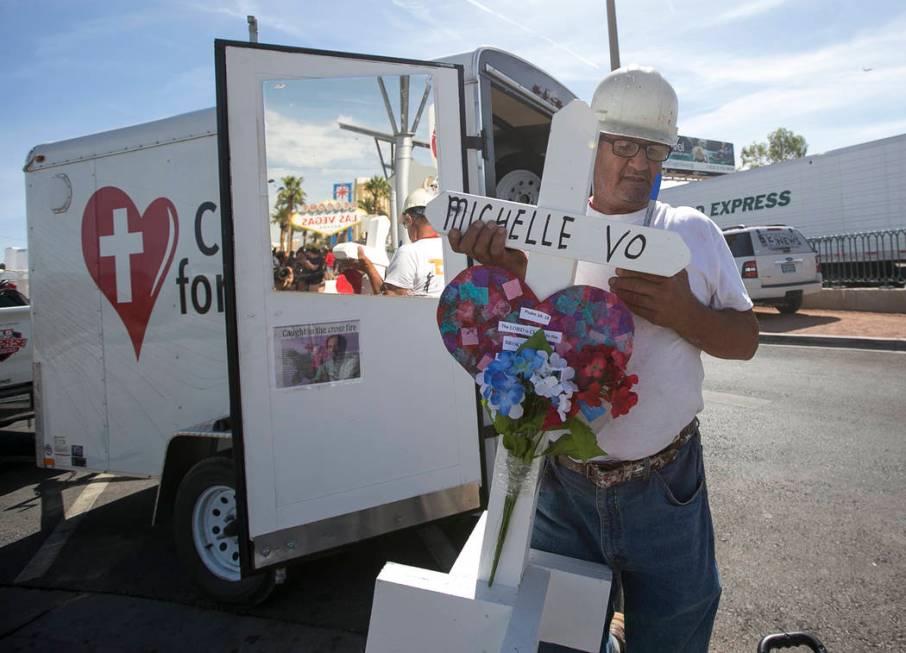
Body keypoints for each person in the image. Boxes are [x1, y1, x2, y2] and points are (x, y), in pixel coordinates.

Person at [449, 65, 759, 653]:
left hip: (665, 486)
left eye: (655, 148)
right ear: (591, 145)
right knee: (561, 639)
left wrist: (683, 311)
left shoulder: (690, 232)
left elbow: (745, 339)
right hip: (560, 488)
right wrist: (504, 279)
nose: (641, 163)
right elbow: (508, 349)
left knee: (673, 634)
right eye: (624, 146)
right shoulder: (537, 233)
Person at [357, 188, 445, 297]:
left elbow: (391, 302)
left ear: (409, 220)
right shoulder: (450, 249)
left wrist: (367, 266)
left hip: (418, 314)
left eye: (405, 224)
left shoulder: (409, 252)